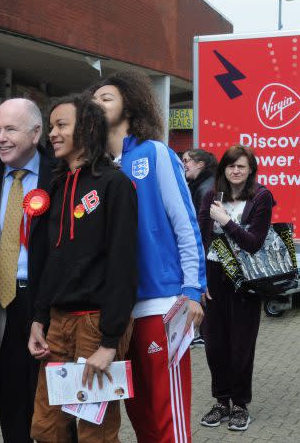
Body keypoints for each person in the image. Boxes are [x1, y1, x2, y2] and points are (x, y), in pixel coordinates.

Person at [88, 71, 206, 443]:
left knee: (166, 416)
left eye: (107, 97)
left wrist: (192, 289)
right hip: (115, 314)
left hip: (161, 304)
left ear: (130, 104)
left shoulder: (154, 152)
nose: (98, 104)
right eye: (94, 100)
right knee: (139, 417)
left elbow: (184, 222)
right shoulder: (97, 168)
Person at [28, 95, 138, 442]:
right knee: (46, 429)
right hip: (58, 324)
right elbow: (51, 260)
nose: (53, 134)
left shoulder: (115, 184)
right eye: (51, 127)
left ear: (88, 128)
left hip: (96, 325)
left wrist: (110, 342)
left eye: (61, 125)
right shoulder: (58, 185)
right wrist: (39, 318)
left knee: (96, 434)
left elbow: (124, 263)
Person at [0, 98, 53, 442]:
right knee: (12, 404)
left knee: (55, 405)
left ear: (35, 133)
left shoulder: (60, 176)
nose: (0, 137)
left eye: (10, 129)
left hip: (47, 304)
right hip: (2, 306)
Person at [197, 145, 272, 432]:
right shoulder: (211, 196)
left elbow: (254, 243)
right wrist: (199, 281)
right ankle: (221, 401)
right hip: (214, 277)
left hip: (245, 280)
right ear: (223, 169)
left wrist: (227, 222)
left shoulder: (262, 197)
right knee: (215, 345)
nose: (236, 171)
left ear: (251, 169)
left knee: (240, 345)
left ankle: (240, 404)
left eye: (241, 166)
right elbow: (201, 240)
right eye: (230, 166)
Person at [182, 148, 217, 349]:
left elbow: (201, 228)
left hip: (206, 250)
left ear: (200, 164)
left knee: (205, 293)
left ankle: (202, 334)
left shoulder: (204, 189)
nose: (184, 164)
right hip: (207, 250)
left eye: (187, 160)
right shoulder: (201, 185)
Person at [182, 148, 217, 215]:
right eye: (182, 161)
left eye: (186, 161)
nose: (183, 165)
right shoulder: (198, 185)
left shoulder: (205, 188)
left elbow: (204, 220)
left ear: (200, 165)